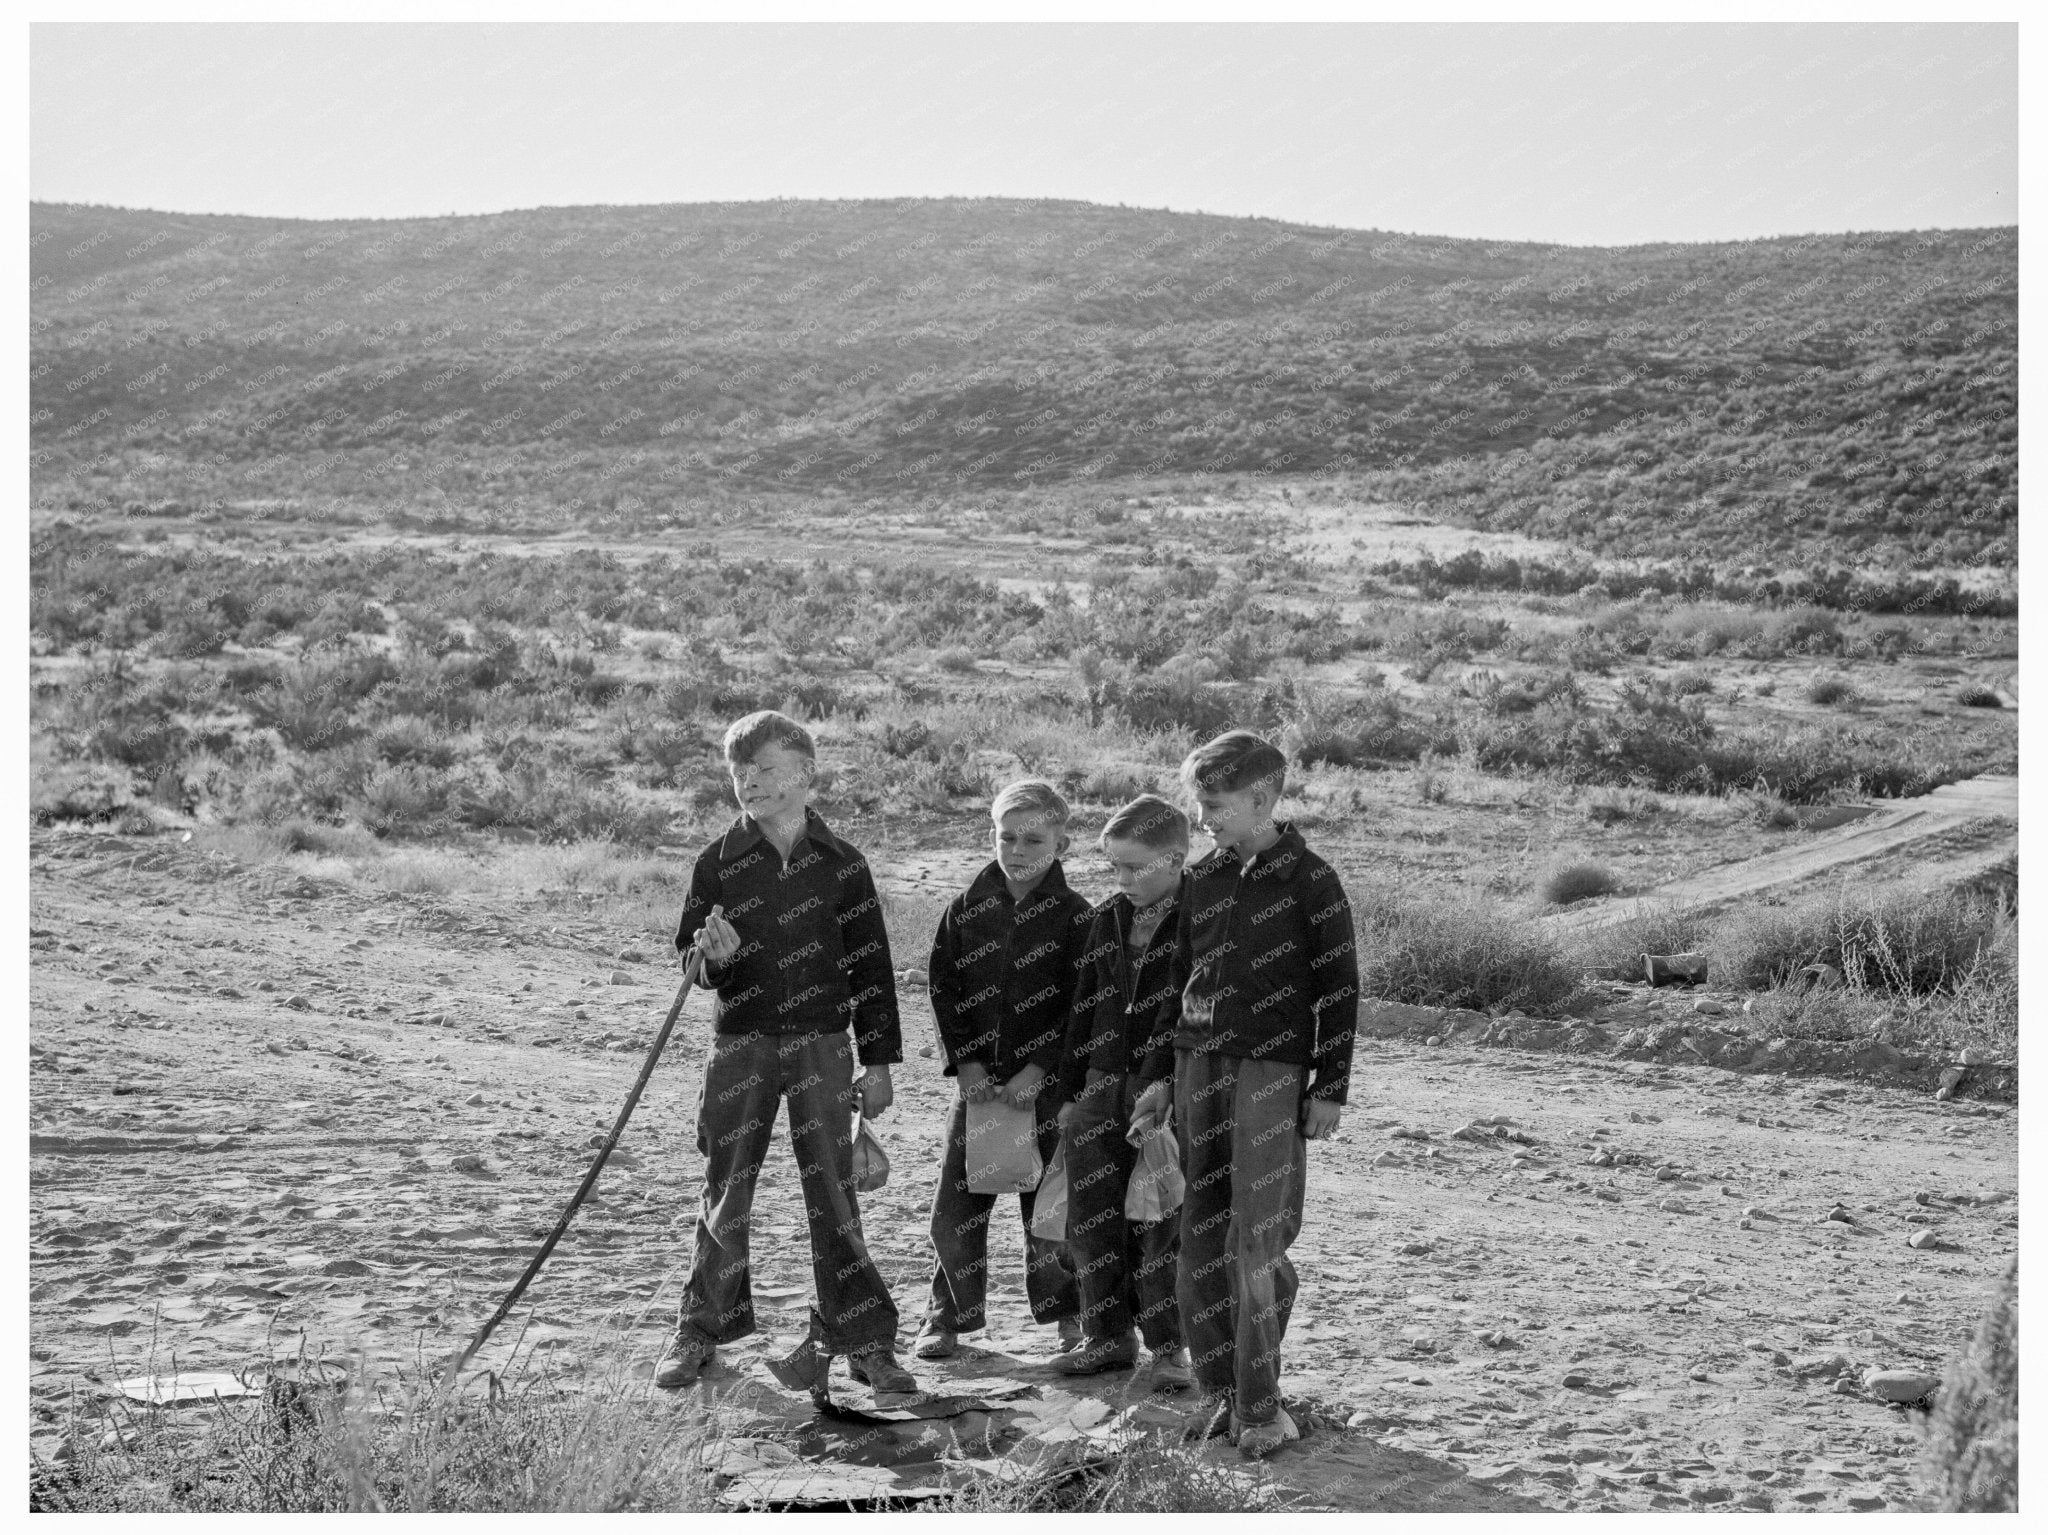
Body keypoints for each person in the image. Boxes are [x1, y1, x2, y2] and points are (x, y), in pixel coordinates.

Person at [654, 710, 916, 1395]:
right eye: (739, 772)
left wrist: (878, 1062)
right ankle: (699, 1330)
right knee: (725, 1190)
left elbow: (872, 969)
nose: (750, 782)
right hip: (741, 1043)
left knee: (833, 1194)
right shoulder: (716, 862)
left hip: (824, 1047)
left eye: (767, 769)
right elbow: (690, 958)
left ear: (805, 773)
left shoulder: (844, 864)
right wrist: (711, 961)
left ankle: (862, 1338)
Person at [1131, 730, 1358, 1459]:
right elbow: (1178, 978)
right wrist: (1162, 1077)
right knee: (1197, 1235)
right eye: (1200, 805)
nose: (1204, 819)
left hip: (1272, 1076)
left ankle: (1262, 1407)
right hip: (1196, 1069)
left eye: (1215, 804)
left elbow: (1339, 989)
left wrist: (1332, 1086)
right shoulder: (1203, 877)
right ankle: (1221, 1394)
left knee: (1256, 1239)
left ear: (1262, 797)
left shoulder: (1313, 882)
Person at [913, 779, 1092, 1361]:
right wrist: (964, 1064)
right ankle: (947, 1316)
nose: (1017, 849)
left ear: (1061, 842)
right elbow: (944, 989)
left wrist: (1040, 1070)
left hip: (1043, 1090)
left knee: (1051, 1206)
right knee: (959, 1206)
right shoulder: (964, 909)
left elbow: (1080, 1004)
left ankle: (1072, 1318)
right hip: (980, 1087)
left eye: (1033, 838)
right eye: (1006, 836)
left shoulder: (1076, 917)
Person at [1055, 793, 1193, 1390]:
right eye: (1115, 866)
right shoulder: (1107, 918)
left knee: (1160, 1218)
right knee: (1091, 1216)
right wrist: (1068, 1089)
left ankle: (1169, 1349)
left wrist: (1162, 1078)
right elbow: (1079, 1008)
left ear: (1178, 859)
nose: (1123, 878)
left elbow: (1189, 1015)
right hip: (1098, 1086)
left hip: (1160, 1092)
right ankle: (1106, 1337)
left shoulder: (1202, 919)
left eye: (1136, 866)